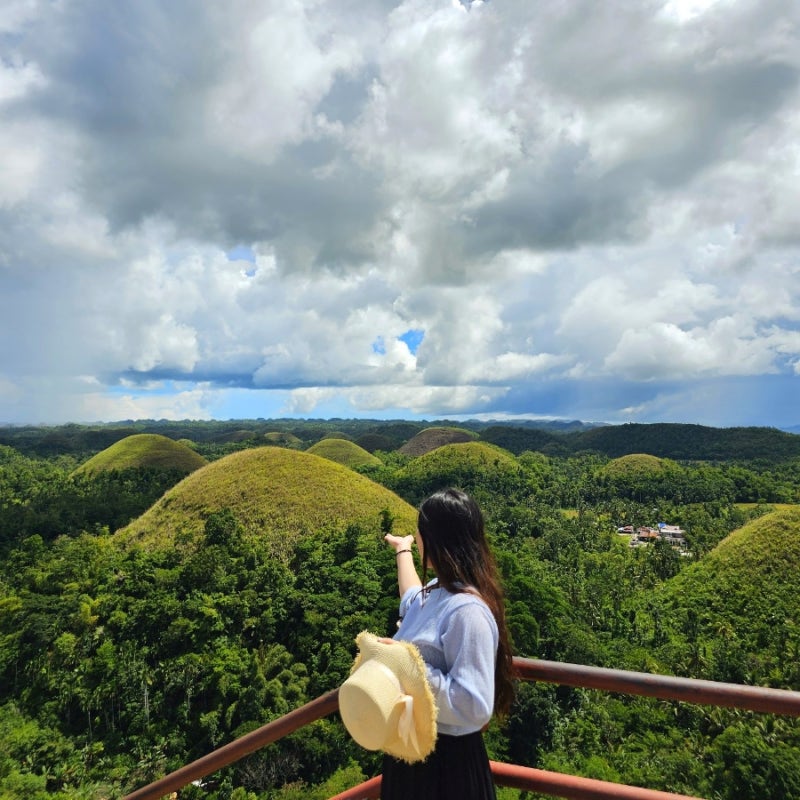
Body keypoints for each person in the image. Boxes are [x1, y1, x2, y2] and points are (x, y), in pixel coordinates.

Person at [380, 487, 514, 800]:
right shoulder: (436, 591)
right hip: (413, 756)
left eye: (419, 533)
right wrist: (403, 550)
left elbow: (475, 706)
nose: (417, 536)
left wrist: (405, 664)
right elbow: (411, 597)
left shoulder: (467, 611)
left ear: (435, 540)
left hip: (446, 769)